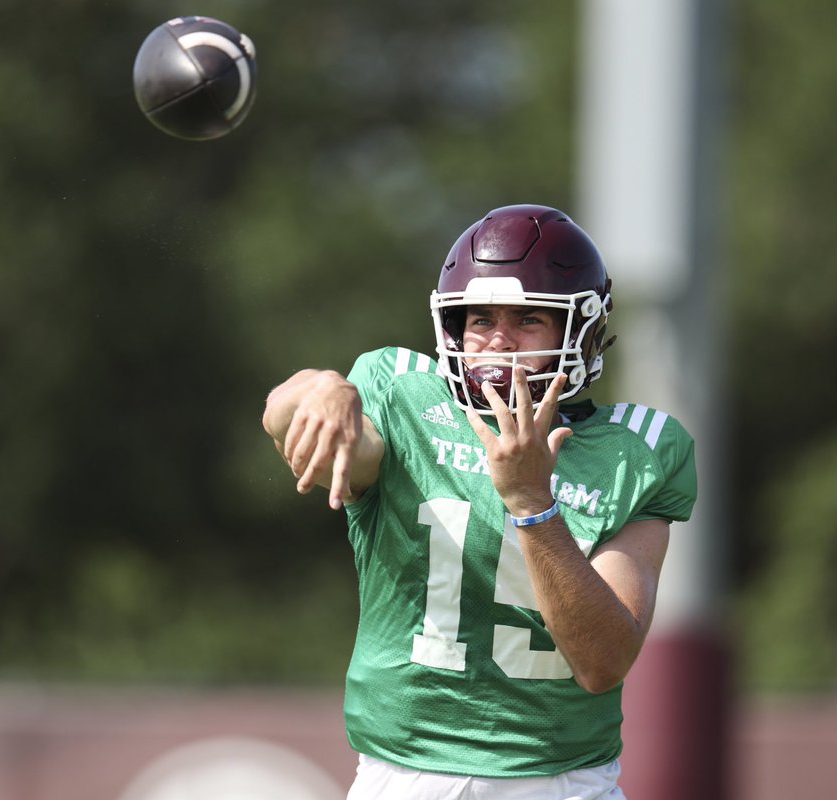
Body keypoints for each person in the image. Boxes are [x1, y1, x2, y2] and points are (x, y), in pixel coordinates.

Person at [262, 204, 697, 799]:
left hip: (559, 784)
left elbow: (602, 662)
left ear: (580, 332)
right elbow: (291, 420)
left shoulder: (638, 451)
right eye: (480, 319)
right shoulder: (404, 397)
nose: (498, 342)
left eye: (528, 320)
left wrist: (530, 500)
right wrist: (321, 387)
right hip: (404, 776)